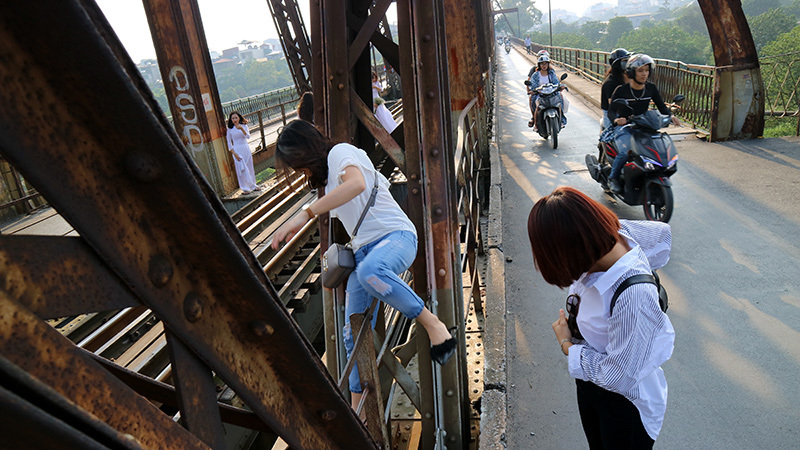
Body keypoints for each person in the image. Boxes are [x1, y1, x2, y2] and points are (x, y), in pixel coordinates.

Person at [270, 120, 457, 407]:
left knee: (371, 271)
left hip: (395, 237)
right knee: (351, 334)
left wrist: (305, 215)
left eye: (297, 163)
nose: (299, 171)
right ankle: (360, 412)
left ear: (306, 150)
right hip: (364, 252)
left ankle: (433, 324)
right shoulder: (331, 175)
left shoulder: (340, 153)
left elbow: (357, 184)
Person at [527, 186, 675, 449]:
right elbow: (659, 240)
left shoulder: (633, 296)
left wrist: (567, 345)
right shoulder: (612, 237)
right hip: (591, 382)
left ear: (574, 251)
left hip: (625, 405)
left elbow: (619, 376)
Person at [607, 54, 681, 194]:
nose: (644, 74)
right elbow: (611, 112)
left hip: (644, 125)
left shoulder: (651, 88)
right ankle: (613, 178)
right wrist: (617, 120)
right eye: (640, 70)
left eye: (647, 70)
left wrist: (670, 117)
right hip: (625, 127)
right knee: (626, 151)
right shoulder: (621, 90)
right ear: (631, 72)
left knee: (659, 145)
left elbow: (662, 107)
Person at [527, 55, 566, 130]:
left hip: (551, 93)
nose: (544, 65)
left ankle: (561, 119)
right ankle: (536, 124)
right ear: (539, 65)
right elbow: (532, 84)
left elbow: (556, 82)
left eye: (545, 63)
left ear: (548, 64)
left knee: (560, 98)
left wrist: (560, 86)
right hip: (540, 94)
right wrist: (532, 90)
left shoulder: (551, 73)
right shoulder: (535, 75)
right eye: (542, 64)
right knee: (537, 106)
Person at [226, 112, 260, 195]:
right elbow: (229, 144)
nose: (234, 120)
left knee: (249, 167)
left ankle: (253, 186)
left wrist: (241, 128)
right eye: (233, 118)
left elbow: (248, 136)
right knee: (241, 169)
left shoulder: (244, 126)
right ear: (231, 120)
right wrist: (234, 154)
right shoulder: (230, 130)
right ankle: (245, 188)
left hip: (245, 147)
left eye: (236, 118)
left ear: (239, 118)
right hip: (237, 149)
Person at [600, 48, 631, 130]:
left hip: (626, 114)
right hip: (614, 116)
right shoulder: (611, 83)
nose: (628, 63)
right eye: (625, 61)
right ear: (617, 64)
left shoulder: (626, 78)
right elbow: (614, 107)